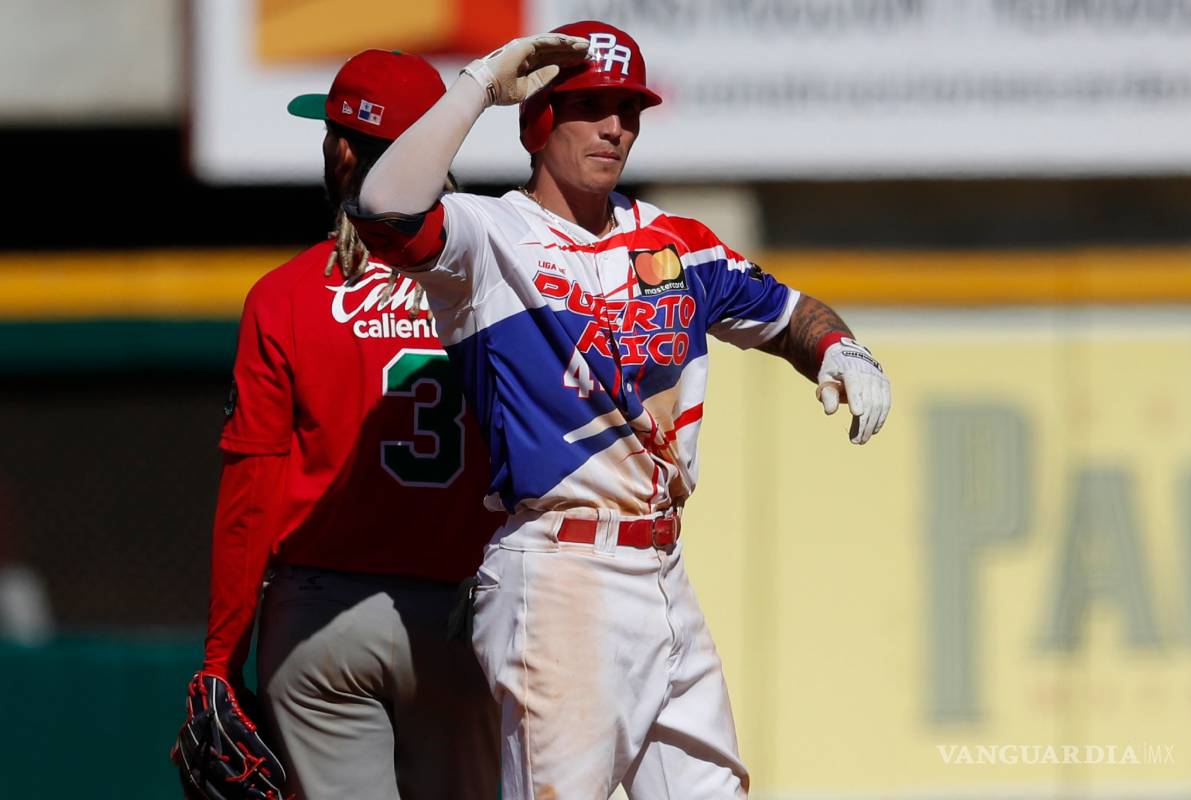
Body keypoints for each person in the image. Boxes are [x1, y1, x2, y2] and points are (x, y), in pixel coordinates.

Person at [348, 21, 892, 800]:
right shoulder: (489, 238)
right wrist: (476, 85)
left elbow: (792, 313)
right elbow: (384, 209)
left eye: (629, 109)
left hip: (664, 570)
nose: (615, 126)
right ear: (539, 119)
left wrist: (841, 350)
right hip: (560, 570)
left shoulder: (677, 242)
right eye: (591, 105)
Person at [184, 49, 503, 800]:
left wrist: (220, 658)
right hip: (466, 612)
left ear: (343, 150)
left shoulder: (285, 295)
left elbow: (250, 492)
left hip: (322, 617)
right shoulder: (501, 278)